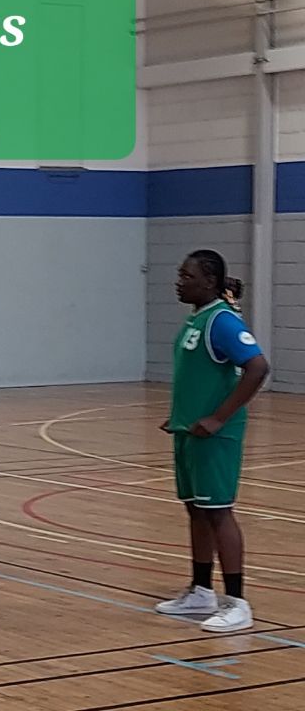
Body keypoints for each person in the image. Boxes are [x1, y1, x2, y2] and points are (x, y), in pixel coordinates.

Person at [154, 250, 269, 634]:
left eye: (187, 276)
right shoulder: (197, 318)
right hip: (190, 432)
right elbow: (196, 376)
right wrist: (181, 415)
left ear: (209, 281)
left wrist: (219, 417)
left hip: (216, 436)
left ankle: (237, 603)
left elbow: (257, 367)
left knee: (219, 512)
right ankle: (201, 592)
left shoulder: (222, 321)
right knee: (196, 511)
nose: (179, 281)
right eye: (179, 274)